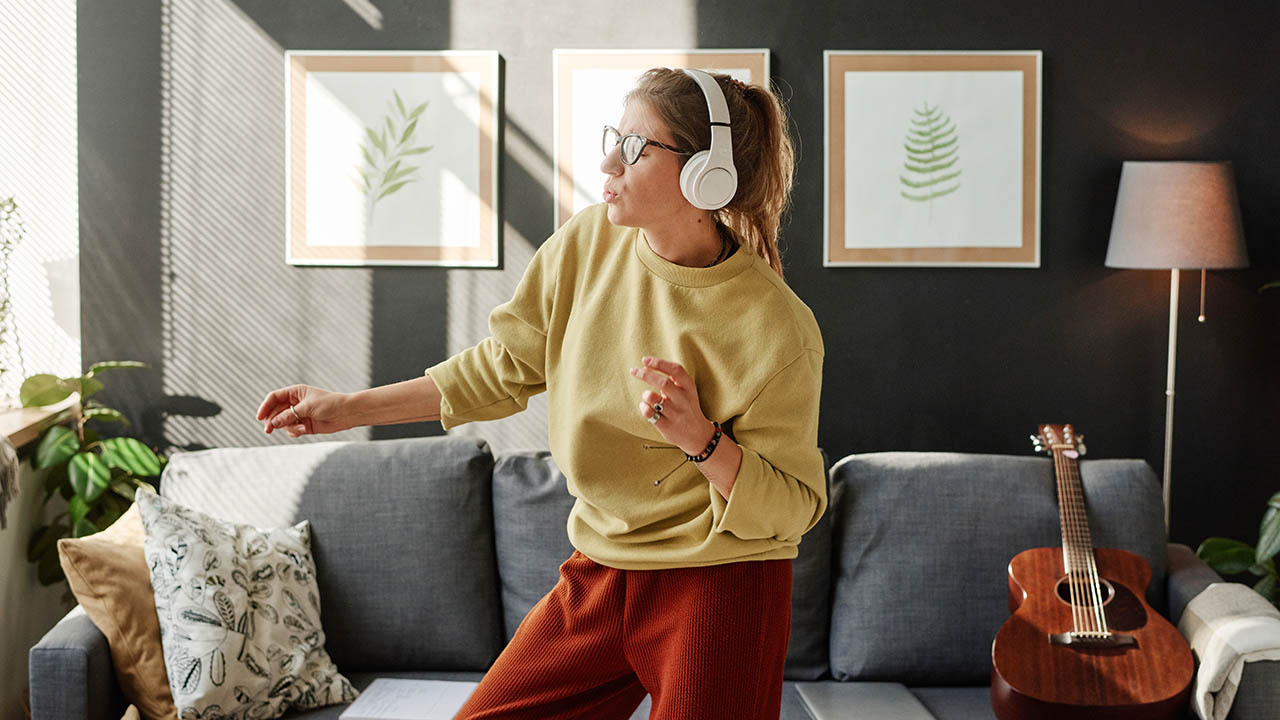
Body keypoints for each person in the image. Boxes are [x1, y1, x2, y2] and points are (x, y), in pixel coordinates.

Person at [256, 67, 825, 720]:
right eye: (615, 136)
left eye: (637, 147)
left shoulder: (777, 325)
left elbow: (796, 505)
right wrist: (345, 409)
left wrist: (701, 439)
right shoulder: (587, 244)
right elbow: (500, 368)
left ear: (706, 177)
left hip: (723, 585)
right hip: (603, 570)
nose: (608, 160)